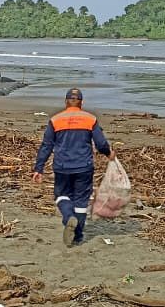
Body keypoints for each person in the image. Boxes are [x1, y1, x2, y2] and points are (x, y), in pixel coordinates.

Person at [31, 88, 115, 248]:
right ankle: (77, 236)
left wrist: (38, 168)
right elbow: (100, 143)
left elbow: (46, 145)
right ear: (81, 103)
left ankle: (68, 216)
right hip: (84, 166)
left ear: (65, 102)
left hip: (62, 167)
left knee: (61, 195)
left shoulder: (56, 120)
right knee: (81, 201)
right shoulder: (90, 119)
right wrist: (108, 153)